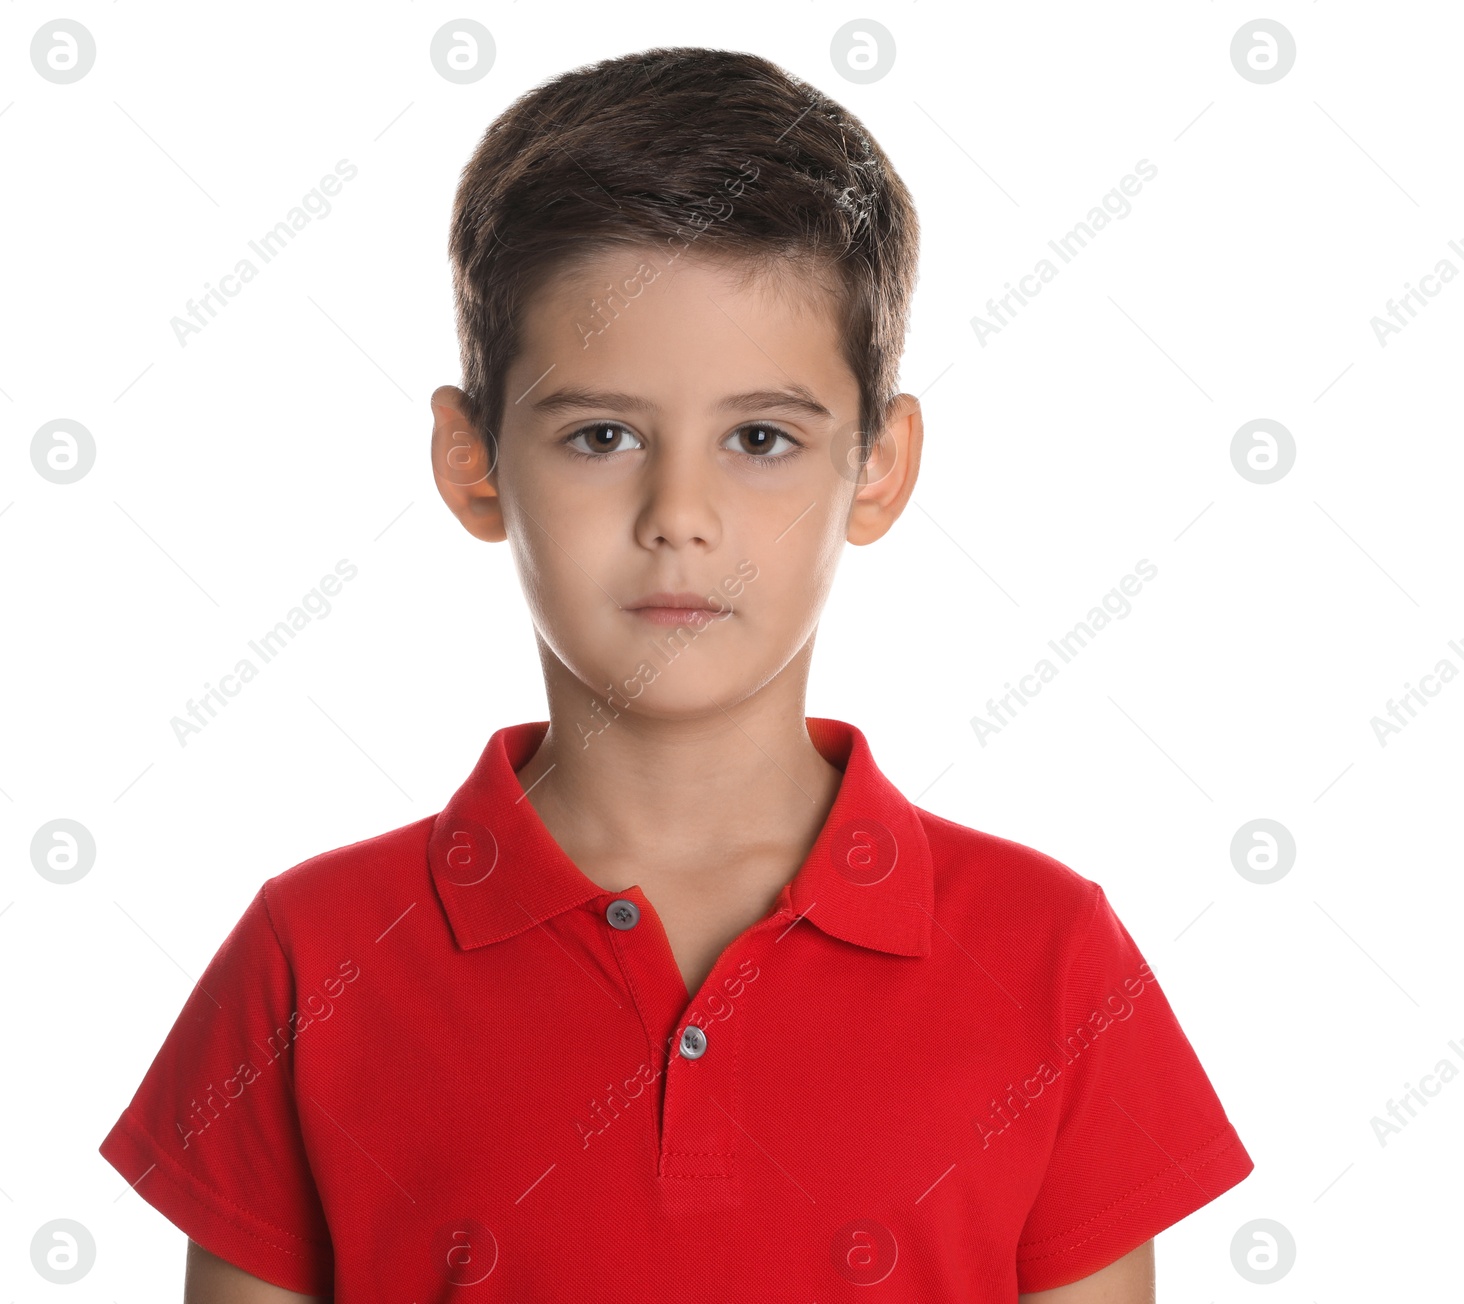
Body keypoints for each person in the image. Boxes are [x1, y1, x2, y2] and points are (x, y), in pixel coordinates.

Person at [99, 45, 1253, 1303]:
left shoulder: (1048, 956)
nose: (680, 512)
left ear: (877, 466)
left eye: (760, 437)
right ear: (471, 459)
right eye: (602, 434)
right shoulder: (311, 959)